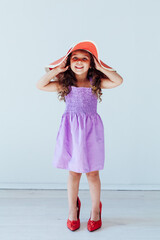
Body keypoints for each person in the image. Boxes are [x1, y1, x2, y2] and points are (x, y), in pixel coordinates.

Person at [36, 40, 123, 232]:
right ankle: (72, 210)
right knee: (74, 172)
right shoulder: (64, 84)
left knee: (92, 173)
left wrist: (101, 66)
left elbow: (118, 80)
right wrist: (56, 70)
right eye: (75, 58)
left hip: (91, 133)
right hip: (72, 133)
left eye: (85, 59)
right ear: (69, 61)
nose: (79, 62)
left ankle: (95, 211)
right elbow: (40, 85)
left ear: (91, 63)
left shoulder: (96, 81)